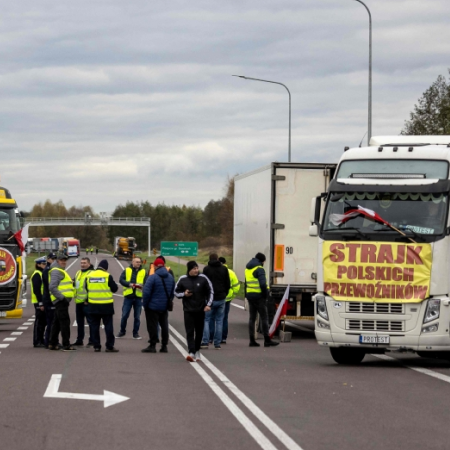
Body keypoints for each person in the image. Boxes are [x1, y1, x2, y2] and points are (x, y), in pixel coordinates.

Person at [175, 261, 213, 362]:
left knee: (199, 332)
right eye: (194, 269)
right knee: (189, 331)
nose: (196, 270)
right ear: (189, 269)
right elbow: (175, 292)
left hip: (200, 310)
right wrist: (184, 294)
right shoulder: (183, 279)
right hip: (188, 310)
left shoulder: (203, 278)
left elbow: (210, 291)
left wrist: (208, 305)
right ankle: (191, 352)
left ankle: (197, 350)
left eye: (197, 268)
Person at [141, 257, 175, 353]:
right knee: (164, 326)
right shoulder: (170, 277)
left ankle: (152, 345)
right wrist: (168, 301)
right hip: (164, 306)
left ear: (155, 266)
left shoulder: (152, 277)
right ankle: (164, 346)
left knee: (152, 326)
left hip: (152, 306)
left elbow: (146, 293)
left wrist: (145, 304)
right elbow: (173, 292)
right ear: (164, 266)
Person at [245, 252, 279, 348]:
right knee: (264, 317)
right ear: (262, 261)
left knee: (252, 318)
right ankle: (267, 340)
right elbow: (263, 284)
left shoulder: (248, 268)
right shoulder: (259, 269)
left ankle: (252, 340)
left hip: (250, 296)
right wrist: (265, 295)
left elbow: (247, 283)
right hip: (259, 297)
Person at [85, 259, 119, 352]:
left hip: (93, 305)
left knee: (94, 326)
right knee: (108, 326)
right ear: (105, 268)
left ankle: (96, 346)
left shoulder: (89, 275)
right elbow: (115, 289)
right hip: (106, 306)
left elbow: (86, 288)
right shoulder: (107, 276)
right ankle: (109, 346)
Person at [201, 253, 230, 350]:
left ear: (209, 259)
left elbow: (203, 283)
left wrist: (205, 295)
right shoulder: (224, 269)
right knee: (219, 320)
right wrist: (224, 293)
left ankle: (205, 341)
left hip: (209, 298)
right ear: (217, 259)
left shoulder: (206, 269)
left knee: (206, 320)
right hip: (221, 297)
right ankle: (217, 343)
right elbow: (227, 283)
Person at [209, 257, 240, 344]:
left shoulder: (214, 270)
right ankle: (223, 338)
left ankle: (211, 338)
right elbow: (236, 286)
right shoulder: (231, 272)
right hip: (227, 298)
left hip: (216, 297)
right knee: (224, 318)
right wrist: (232, 295)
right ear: (225, 262)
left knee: (212, 318)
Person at [48, 252, 76, 351]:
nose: (64, 262)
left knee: (57, 322)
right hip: (61, 301)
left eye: (65, 260)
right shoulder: (56, 271)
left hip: (61, 301)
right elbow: (52, 287)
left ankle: (53, 343)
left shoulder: (59, 270)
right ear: (57, 261)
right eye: (62, 260)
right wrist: (62, 298)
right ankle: (66, 345)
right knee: (65, 322)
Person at [117, 256, 147, 339]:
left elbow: (147, 282)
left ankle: (135, 333)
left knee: (137, 317)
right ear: (132, 262)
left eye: (139, 262)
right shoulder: (127, 270)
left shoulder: (144, 271)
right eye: (137, 262)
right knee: (124, 315)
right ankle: (122, 331)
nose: (138, 263)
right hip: (128, 296)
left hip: (138, 297)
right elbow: (121, 280)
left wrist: (142, 286)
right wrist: (129, 284)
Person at [72, 257, 94, 347]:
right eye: (81, 263)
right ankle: (79, 340)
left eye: (84, 263)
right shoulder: (78, 272)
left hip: (87, 303)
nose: (82, 264)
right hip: (78, 302)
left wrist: (88, 300)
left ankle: (92, 340)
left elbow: (93, 288)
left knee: (91, 323)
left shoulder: (92, 273)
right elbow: (76, 284)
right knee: (79, 322)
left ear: (89, 263)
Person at [30, 256, 47, 348]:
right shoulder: (37, 274)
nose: (44, 265)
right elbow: (37, 290)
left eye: (45, 263)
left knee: (43, 322)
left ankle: (41, 339)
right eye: (43, 264)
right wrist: (40, 303)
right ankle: (37, 341)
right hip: (38, 302)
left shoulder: (41, 273)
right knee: (39, 322)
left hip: (42, 301)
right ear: (38, 264)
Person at [42, 252, 57, 348]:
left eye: (55, 258)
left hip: (51, 298)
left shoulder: (52, 269)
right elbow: (50, 285)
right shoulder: (47, 270)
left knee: (53, 322)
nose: (54, 260)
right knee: (51, 322)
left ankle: (52, 341)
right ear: (48, 259)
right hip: (49, 299)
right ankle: (49, 341)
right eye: (52, 259)